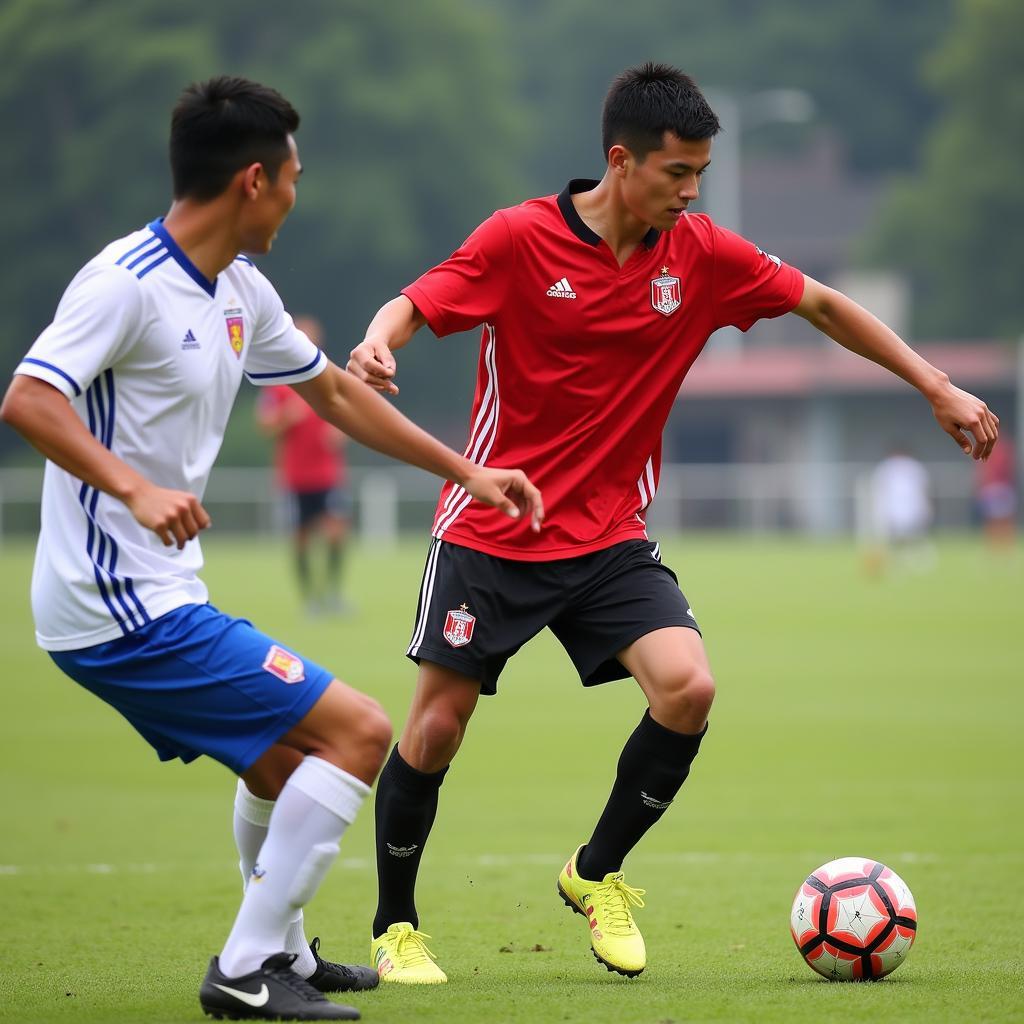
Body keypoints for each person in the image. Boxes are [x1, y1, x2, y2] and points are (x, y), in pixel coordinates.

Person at [346, 62, 999, 984]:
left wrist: (934, 384)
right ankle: (395, 926)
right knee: (437, 730)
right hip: (493, 527)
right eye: (678, 174)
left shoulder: (698, 254)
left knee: (688, 689)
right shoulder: (519, 239)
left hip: (610, 534)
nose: (692, 193)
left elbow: (820, 303)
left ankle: (596, 872)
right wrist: (379, 341)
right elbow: (414, 304)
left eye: (700, 174)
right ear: (622, 162)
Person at [0, 76, 542, 1022]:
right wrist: (132, 485)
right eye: (295, 176)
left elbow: (333, 393)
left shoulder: (240, 287)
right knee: (362, 731)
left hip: (159, 591)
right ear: (255, 180)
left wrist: (468, 471)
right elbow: (29, 398)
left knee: (286, 764)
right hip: (114, 605)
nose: (299, 194)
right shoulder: (123, 282)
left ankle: (282, 951)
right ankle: (245, 969)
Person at [258, 316, 354, 615]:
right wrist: (288, 416)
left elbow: (347, 416)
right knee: (300, 539)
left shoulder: (327, 377)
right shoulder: (278, 385)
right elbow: (265, 425)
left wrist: (341, 432)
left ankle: (334, 594)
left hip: (328, 475)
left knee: (337, 532)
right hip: (296, 477)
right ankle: (310, 599)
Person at [864, 447, 935, 576]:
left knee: (915, 537)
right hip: (892, 509)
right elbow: (878, 490)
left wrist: (925, 506)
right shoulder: (885, 468)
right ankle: (896, 563)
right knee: (894, 539)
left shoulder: (914, 468)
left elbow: (922, 488)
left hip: (912, 508)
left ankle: (922, 560)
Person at [976, 436, 1017, 552]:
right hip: (995, 488)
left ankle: (1002, 547)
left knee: (1001, 520)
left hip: (999, 487)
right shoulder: (989, 447)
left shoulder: (998, 448)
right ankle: (997, 547)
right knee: (994, 520)